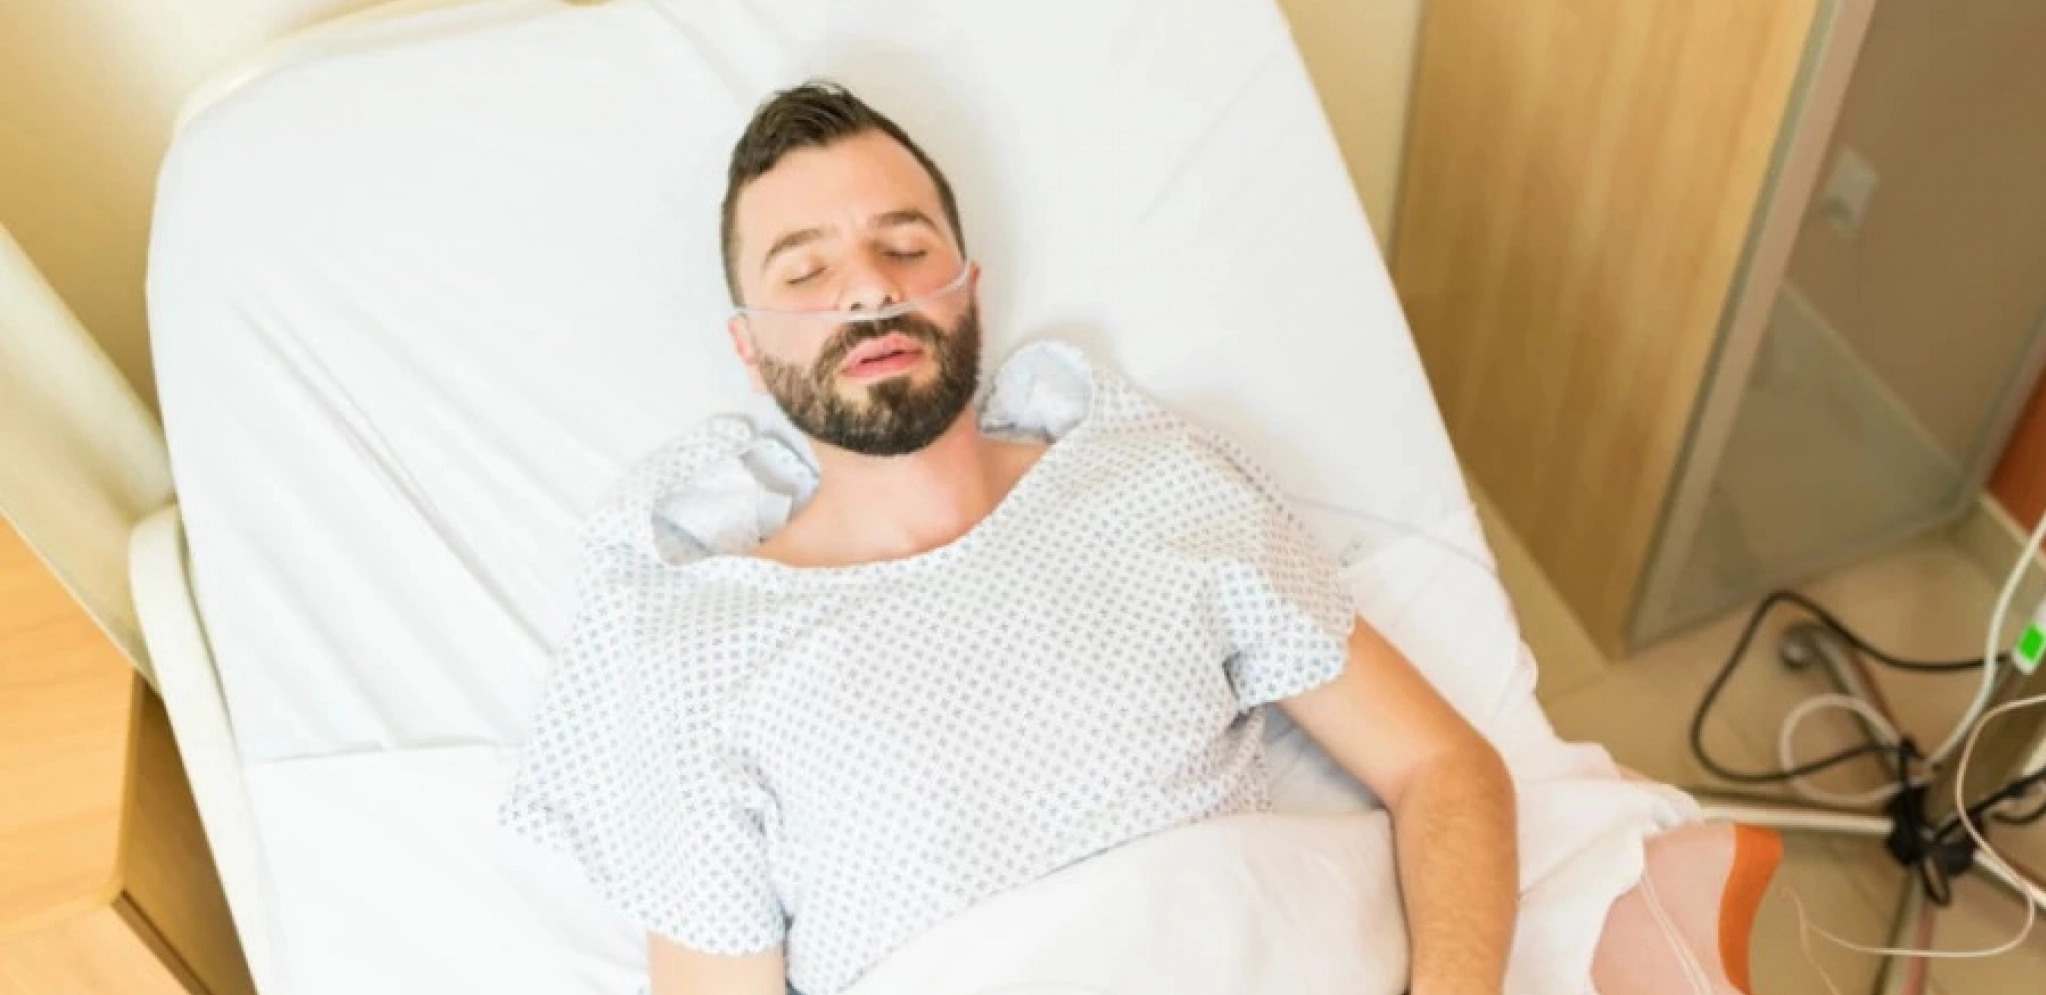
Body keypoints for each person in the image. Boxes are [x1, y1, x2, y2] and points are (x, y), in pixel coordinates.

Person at [503, 81, 1518, 995]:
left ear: (968, 287)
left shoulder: (1157, 486)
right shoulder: (695, 653)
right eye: (805, 271)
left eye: (906, 247)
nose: (869, 289)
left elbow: (1442, 769)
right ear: (750, 350)